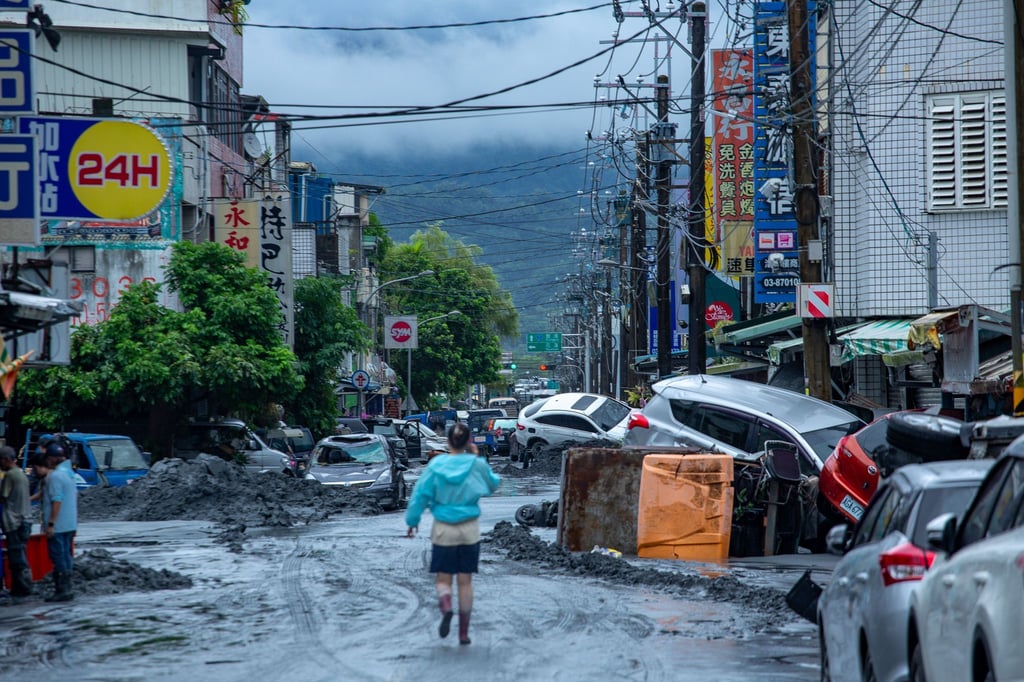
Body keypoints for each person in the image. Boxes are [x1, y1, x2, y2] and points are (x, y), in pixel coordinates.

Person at [405, 422, 500, 645]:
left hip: (443, 529)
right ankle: (464, 633)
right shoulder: (475, 465)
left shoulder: (436, 465)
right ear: (468, 442)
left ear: (448, 442)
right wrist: (478, 459)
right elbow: (493, 485)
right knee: (465, 582)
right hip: (469, 529)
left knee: (443, 578)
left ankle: (446, 606)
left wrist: (412, 521)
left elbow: (420, 494)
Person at [40, 442, 78, 602]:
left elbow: (57, 500)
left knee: (58, 557)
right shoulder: (69, 474)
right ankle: (67, 588)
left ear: (52, 459)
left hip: (59, 526)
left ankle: (62, 591)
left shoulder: (55, 476)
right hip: (70, 524)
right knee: (66, 556)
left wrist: (51, 524)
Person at [0, 445, 33, 598]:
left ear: (6, 460)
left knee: (16, 558)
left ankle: (23, 589)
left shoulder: (10, 476)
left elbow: (3, 496)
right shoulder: (21, 474)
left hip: (14, 522)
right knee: (21, 554)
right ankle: (20, 588)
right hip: (25, 520)